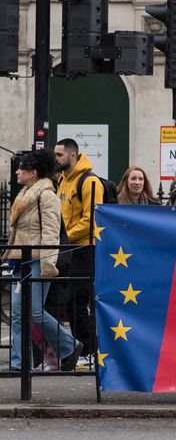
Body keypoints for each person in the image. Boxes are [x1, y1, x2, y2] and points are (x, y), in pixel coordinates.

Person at [7, 150, 82, 372]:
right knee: (19, 314)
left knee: (34, 311)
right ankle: (19, 365)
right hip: (21, 261)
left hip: (38, 260)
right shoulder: (25, 194)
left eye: (22, 168)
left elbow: (50, 233)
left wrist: (48, 264)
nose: (17, 171)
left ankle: (69, 345)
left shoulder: (46, 195)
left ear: (34, 172)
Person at [54, 137, 105, 358]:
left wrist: (65, 238)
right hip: (68, 249)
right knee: (70, 303)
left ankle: (89, 351)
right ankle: (83, 349)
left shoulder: (89, 181)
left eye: (59, 155)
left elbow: (90, 220)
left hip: (84, 250)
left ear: (72, 155)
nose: (56, 159)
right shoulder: (63, 181)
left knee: (77, 302)